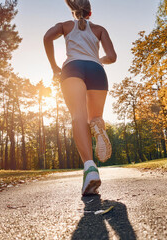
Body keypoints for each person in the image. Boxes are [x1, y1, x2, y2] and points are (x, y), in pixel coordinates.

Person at [44, 0, 117, 195]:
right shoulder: (100, 29)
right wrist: (96, 60)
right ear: (90, 13)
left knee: (78, 116)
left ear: (74, 13)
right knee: (93, 119)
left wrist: (54, 67)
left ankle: (90, 168)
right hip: (96, 70)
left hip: (72, 68)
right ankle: (97, 126)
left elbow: (47, 38)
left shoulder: (65, 26)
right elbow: (112, 56)